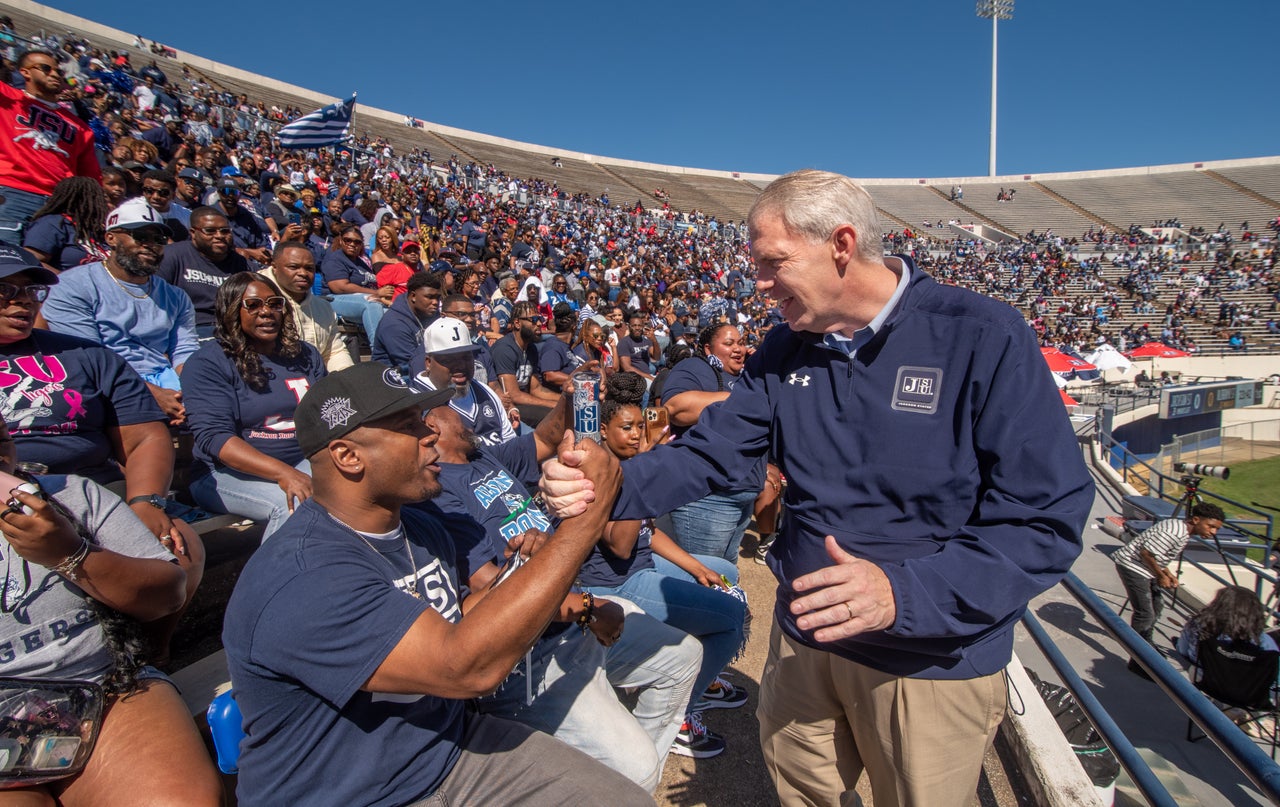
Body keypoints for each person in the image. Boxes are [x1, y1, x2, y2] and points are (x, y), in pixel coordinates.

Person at [542, 169, 1094, 806]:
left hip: (931, 661)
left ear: (841, 243)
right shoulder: (784, 346)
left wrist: (903, 594)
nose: (758, 283)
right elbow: (711, 453)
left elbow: (1045, 516)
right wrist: (606, 488)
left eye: (773, 262)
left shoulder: (982, 335)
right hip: (807, 639)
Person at [222, 361, 651, 806]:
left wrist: (530, 567)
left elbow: (454, 619)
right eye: (408, 425)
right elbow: (465, 669)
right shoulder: (305, 574)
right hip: (351, 795)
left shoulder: (421, 530)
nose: (429, 433)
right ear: (348, 456)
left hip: (446, 753)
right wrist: (582, 528)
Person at [424, 391, 700, 793]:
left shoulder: (484, 456)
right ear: (433, 426)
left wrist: (577, 393)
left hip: (575, 611)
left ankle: (611, 788)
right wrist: (588, 608)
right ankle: (618, 783)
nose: (465, 415)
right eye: (452, 409)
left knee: (682, 657)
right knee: (635, 767)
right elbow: (490, 593)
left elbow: (550, 434)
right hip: (534, 653)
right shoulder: (439, 494)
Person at [0, 415, 222, 806]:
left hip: (104, 687)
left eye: (0, 442)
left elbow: (167, 593)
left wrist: (70, 554)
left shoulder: (72, 496)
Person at [583, 371, 748, 758]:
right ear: (603, 431)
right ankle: (682, 717)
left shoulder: (627, 460)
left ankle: (695, 678)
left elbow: (647, 532)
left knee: (727, 573)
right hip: (613, 584)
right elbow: (622, 547)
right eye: (626, 428)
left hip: (641, 568)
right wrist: (644, 463)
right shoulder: (602, 468)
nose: (637, 435)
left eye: (641, 426)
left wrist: (695, 567)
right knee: (730, 620)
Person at [184, 272, 326, 539]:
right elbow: (215, 438)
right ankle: (274, 580)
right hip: (225, 474)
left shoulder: (305, 354)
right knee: (291, 505)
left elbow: (327, 412)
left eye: (274, 303)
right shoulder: (207, 363)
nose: (266, 312)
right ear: (231, 311)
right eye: (253, 305)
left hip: (300, 461)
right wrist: (283, 473)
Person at [38, 199, 197, 426]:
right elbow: (89, 358)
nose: (150, 245)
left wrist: (194, 391)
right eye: (140, 236)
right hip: (101, 381)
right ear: (111, 237)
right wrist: (151, 394)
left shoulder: (175, 296)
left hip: (164, 378)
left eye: (158, 239)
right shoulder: (73, 285)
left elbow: (184, 351)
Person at [659, 322, 764, 565]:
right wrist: (742, 397)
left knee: (726, 569)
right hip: (708, 496)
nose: (738, 348)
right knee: (704, 574)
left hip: (744, 494)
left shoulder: (749, 375)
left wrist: (761, 369)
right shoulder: (696, 367)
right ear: (708, 349)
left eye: (741, 342)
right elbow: (675, 407)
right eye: (728, 343)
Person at [0, 49, 100, 242]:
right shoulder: (8, 98)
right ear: (25, 72)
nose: (54, 74)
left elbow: (90, 180)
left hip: (59, 205)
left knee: (42, 271)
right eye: (46, 68)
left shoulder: (80, 127)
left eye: (59, 71)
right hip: (12, 192)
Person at [1113, 502, 1225, 673]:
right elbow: (1146, 553)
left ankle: (1146, 645)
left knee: (1157, 606)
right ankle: (1137, 660)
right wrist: (1160, 576)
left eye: (1216, 529)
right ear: (1196, 519)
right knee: (1145, 613)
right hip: (1133, 567)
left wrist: (1167, 574)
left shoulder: (1181, 530)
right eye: (1211, 527)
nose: (1213, 532)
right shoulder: (1175, 532)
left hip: (1143, 569)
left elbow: (1157, 555)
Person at [416, 316, 517, 447]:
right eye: (450, 359)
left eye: (466, 357)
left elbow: (511, 444)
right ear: (429, 363)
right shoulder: (416, 403)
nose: (461, 366)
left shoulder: (485, 392)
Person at [260, 240, 355, 372]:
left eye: (309, 268)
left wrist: (349, 380)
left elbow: (334, 352)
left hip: (316, 384)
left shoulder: (323, 308)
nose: (303, 273)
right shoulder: (256, 304)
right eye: (293, 267)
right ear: (274, 267)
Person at [155, 206, 249, 339]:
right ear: (193, 233)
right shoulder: (171, 255)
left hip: (232, 329)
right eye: (210, 231)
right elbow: (155, 301)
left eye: (225, 231)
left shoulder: (241, 263)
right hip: (188, 329)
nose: (219, 236)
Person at [1176, 585, 1278, 674]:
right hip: (1248, 691)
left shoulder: (1198, 625)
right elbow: (1275, 673)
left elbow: (1183, 650)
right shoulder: (1263, 641)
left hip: (1205, 679)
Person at [320, 222, 391, 343]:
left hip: (362, 300)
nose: (352, 244)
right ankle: (378, 351)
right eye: (348, 240)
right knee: (371, 303)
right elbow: (340, 287)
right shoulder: (335, 259)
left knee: (392, 313)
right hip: (334, 300)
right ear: (341, 241)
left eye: (357, 242)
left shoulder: (362, 262)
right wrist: (376, 293)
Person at [491, 300, 559, 426]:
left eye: (540, 319)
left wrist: (563, 399)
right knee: (554, 414)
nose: (539, 323)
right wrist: (554, 405)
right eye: (533, 319)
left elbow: (536, 389)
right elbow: (513, 395)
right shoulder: (504, 349)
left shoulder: (531, 348)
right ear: (517, 323)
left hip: (525, 402)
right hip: (509, 408)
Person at [21, 176, 109, 273]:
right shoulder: (53, 223)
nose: (105, 203)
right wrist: (67, 282)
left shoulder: (96, 230)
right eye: (100, 198)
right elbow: (32, 261)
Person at [371, 271, 441, 376]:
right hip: (393, 380)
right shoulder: (394, 324)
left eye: (437, 297)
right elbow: (414, 365)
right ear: (413, 296)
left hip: (423, 371)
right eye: (429, 297)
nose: (435, 302)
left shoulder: (430, 314)